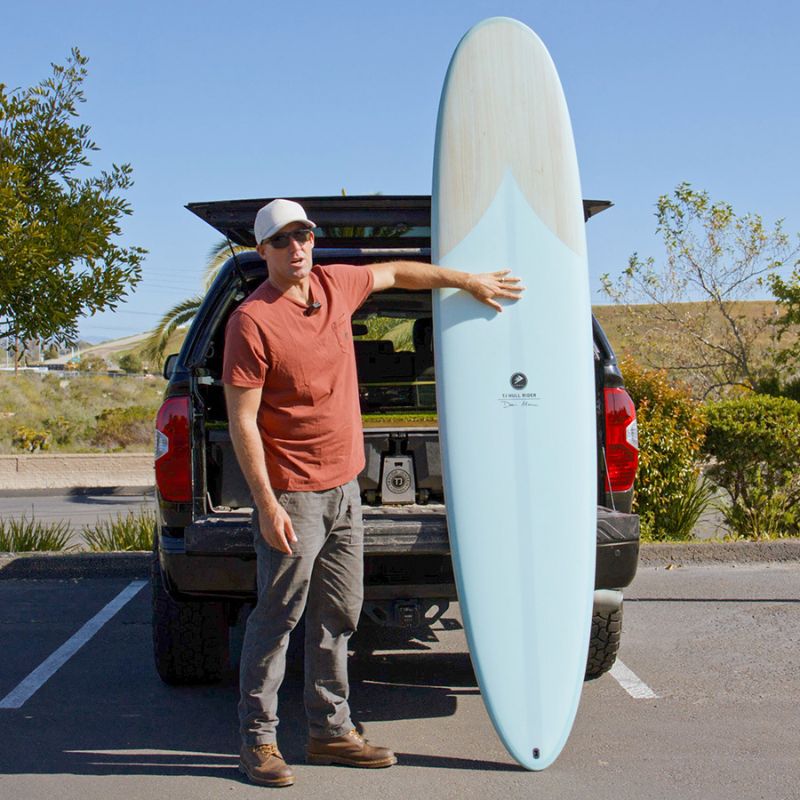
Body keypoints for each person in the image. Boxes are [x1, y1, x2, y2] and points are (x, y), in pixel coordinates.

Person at [223, 199, 523, 787]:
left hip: (346, 489)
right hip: (293, 495)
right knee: (278, 618)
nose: (295, 247)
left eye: (302, 235)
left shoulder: (335, 286)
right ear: (263, 251)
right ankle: (258, 740)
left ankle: (330, 732)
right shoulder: (251, 321)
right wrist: (267, 503)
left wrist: (467, 280)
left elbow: (396, 272)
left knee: (338, 614)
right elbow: (243, 421)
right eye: (281, 240)